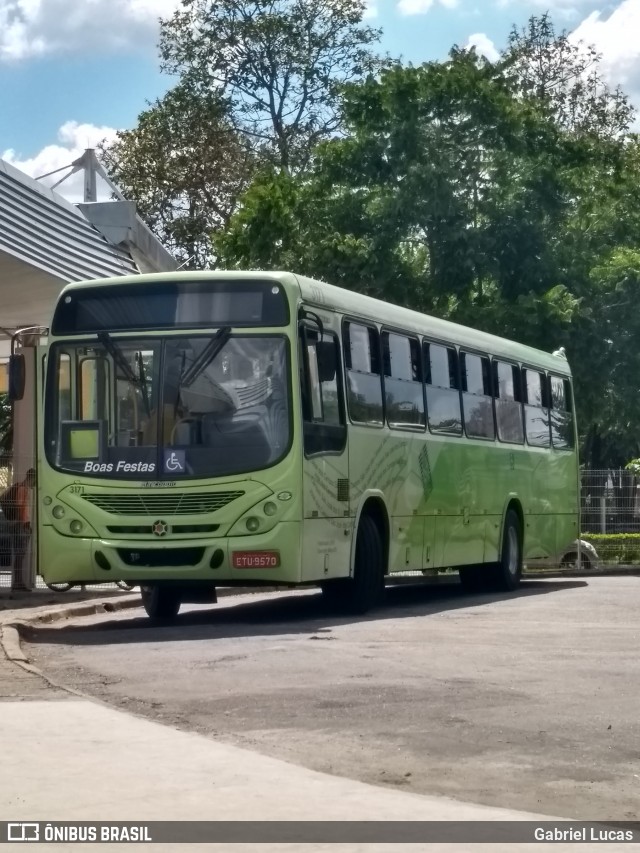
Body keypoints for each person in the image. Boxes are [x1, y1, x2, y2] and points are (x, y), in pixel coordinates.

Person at [0, 468, 36, 591]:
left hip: (20, 524)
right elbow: (20, 507)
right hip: (20, 525)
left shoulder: (22, 488)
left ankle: (18, 582)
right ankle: (18, 583)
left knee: (20, 554)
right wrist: (24, 524)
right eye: (34, 480)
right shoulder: (23, 489)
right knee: (20, 554)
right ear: (31, 478)